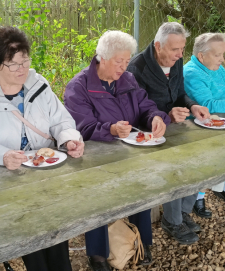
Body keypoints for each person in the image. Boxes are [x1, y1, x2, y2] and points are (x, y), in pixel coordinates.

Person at [0, 26, 84, 271]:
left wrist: (68, 139)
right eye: (13, 64)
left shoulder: (39, 84)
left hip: (45, 174)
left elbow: (61, 120)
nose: (22, 69)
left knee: (57, 234)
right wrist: (2, 156)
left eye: (25, 61)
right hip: (7, 181)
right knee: (33, 243)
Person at [64, 30, 171, 271]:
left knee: (142, 185)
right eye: (118, 61)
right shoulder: (78, 87)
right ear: (102, 57)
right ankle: (97, 254)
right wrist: (110, 130)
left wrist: (156, 117)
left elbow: (146, 107)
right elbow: (80, 129)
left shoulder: (128, 80)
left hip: (131, 152)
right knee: (97, 196)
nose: (124, 66)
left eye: (126, 60)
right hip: (93, 159)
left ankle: (141, 241)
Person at [127, 22, 210, 245]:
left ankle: (183, 212)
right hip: (149, 133)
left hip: (177, 125)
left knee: (199, 157)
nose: (180, 55)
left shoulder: (177, 61)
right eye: (175, 50)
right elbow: (138, 111)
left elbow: (180, 92)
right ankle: (171, 221)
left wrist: (192, 106)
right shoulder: (136, 68)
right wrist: (167, 114)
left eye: (182, 49)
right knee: (176, 165)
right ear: (158, 46)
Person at [183, 32, 225, 211]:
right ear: (201, 56)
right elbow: (208, 106)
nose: (222, 60)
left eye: (223, 55)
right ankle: (198, 197)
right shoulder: (192, 72)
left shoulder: (217, 68)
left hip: (218, 123)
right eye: (218, 55)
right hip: (196, 128)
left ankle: (219, 186)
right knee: (205, 160)